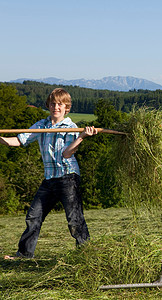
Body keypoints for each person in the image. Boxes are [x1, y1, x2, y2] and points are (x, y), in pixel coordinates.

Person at [1, 88, 97, 259]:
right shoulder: (41, 126)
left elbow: (67, 154)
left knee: (74, 219)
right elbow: (18, 141)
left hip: (68, 177)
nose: (56, 107)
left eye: (60, 104)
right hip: (49, 179)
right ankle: (24, 254)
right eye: (53, 104)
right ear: (48, 105)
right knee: (33, 216)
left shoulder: (71, 127)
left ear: (66, 107)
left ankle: (87, 253)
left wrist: (81, 136)